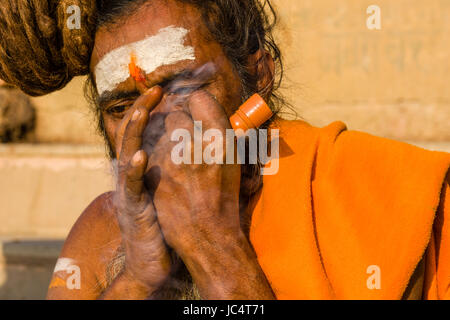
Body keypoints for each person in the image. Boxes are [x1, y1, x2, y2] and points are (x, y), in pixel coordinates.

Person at [0, 0, 448, 300]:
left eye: (185, 86)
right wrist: (137, 277)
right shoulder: (105, 232)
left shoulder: (379, 192)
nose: (159, 128)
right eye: (122, 106)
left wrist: (209, 241)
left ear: (258, 72)